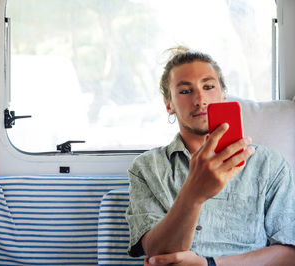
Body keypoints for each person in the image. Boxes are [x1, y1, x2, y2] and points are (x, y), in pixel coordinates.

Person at [125, 47, 295, 265]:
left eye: (208, 86)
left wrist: (209, 264)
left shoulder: (269, 163)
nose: (200, 99)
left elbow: (289, 254)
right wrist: (193, 195)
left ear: (223, 95)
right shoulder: (147, 167)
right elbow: (157, 253)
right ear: (169, 104)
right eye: (185, 91)